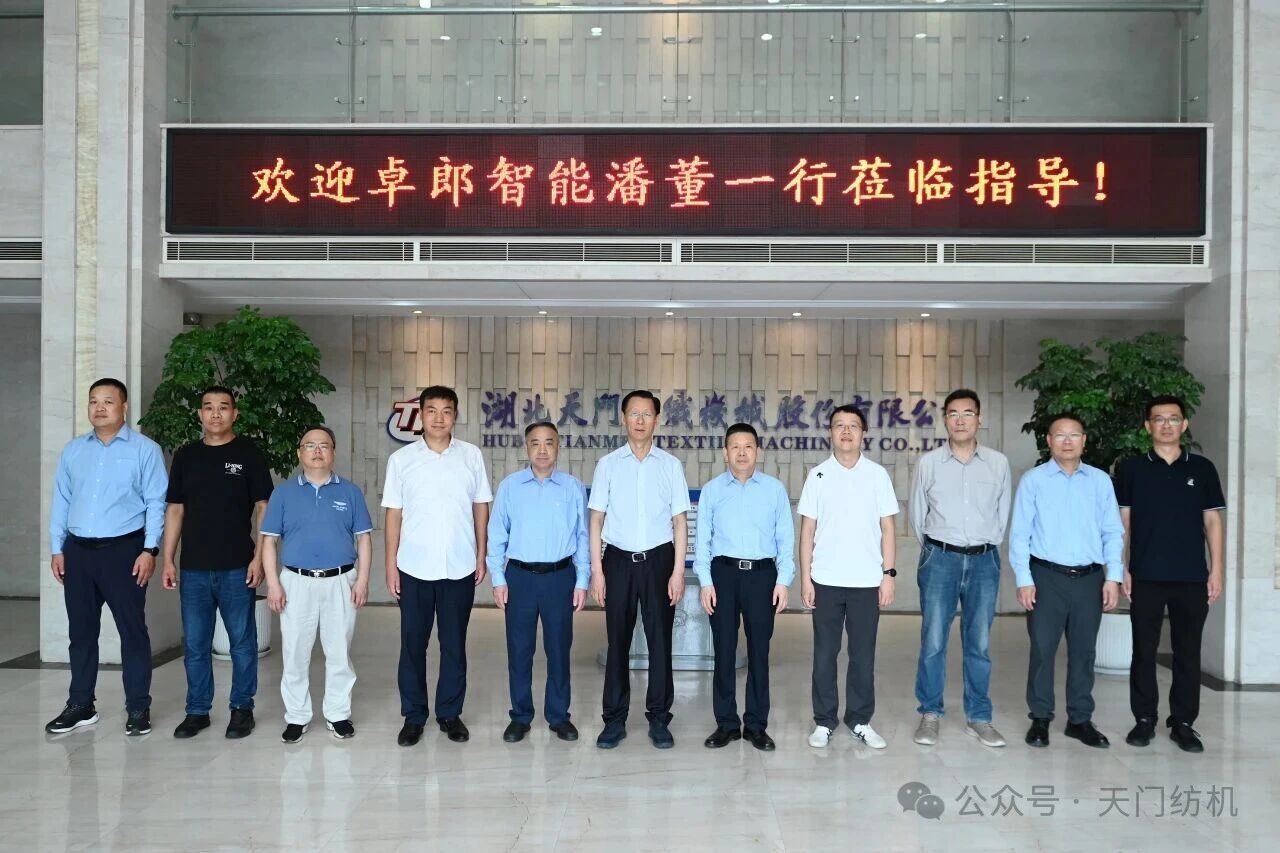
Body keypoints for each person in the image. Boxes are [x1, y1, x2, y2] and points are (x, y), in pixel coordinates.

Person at [45, 378, 167, 737]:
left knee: (132, 632)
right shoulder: (73, 451)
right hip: (78, 552)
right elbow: (61, 500)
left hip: (124, 552)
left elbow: (156, 502)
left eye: (108, 401)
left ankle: (138, 707)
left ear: (124, 407)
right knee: (81, 632)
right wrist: (57, 548)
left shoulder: (145, 450)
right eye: (94, 401)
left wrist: (150, 549)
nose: (99, 408)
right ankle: (81, 704)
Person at [162, 386, 274, 740]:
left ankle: (242, 709)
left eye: (223, 407)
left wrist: (259, 558)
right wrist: (168, 559)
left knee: (242, 643)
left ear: (234, 414)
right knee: (196, 645)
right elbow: (175, 509)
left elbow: (264, 508)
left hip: (237, 565)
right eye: (208, 407)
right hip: (194, 567)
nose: (215, 413)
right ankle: (197, 711)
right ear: (199, 414)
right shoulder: (186, 456)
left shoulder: (249, 454)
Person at [1115, 395, 1225, 753]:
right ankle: (1144, 719)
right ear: (1147, 425)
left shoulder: (1202, 468)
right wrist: (1122, 568)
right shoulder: (1132, 468)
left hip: (1191, 576)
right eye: (1159, 419)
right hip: (1145, 574)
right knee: (1144, 651)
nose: (1166, 425)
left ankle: (1183, 723)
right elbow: (1125, 523)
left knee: (1187, 652)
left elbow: (1212, 521)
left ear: (1184, 424)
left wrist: (1216, 570)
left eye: (1173, 418)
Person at [384, 386, 492, 747]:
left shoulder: (471, 456)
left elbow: (480, 505)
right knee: (412, 645)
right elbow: (394, 514)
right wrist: (391, 565)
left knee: (454, 645)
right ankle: (414, 716)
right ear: (420, 415)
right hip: (413, 567)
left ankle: (449, 713)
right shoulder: (402, 460)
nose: (439, 418)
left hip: (459, 566)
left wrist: (481, 554)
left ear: (455, 416)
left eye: (447, 411)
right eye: (431, 410)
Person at [1009, 413, 1124, 749]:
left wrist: (1113, 577)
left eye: (1074, 435)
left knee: (1084, 652)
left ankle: (1080, 719)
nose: (1067, 441)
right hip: (1046, 577)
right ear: (1049, 441)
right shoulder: (1034, 480)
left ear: (1084, 441)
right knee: (1042, 650)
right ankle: (1040, 718)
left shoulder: (1100, 481)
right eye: (1060, 435)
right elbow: (1020, 534)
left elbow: (1112, 531)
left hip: (1090, 578)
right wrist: (1024, 579)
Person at [907, 389, 1011, 749]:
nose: (961, 420)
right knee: (933, 640)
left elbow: (1002, 514)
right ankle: (930, 712)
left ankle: (979, 717)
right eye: (953, 414)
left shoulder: (997, 463)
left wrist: (984, 544)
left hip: (984, 560)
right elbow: (917, 515)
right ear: (945, 420)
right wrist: (938, 550)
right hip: (940, 559)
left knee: (979, 643)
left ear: (979, 419)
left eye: (968, 413)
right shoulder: (929, 463)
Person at [589, 389, 690, 750]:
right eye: (634, 413)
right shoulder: (608, 464)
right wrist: (597, 571)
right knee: (617, 641)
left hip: (659, 561)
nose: (640, 420)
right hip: (617, 561)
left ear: (657, 420)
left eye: (647, 414)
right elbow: (596, 520)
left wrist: (677, 572)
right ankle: (614, 720)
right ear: (623, 418)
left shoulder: (670, 465)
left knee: (660, 642)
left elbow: (680, 522)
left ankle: (659, 719)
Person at [260, 426, 372, 744]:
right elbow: (269, 542)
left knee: (339, 652)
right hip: (296, 582)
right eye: (310, 445)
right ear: (300, 452)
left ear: (333, 452)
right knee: (295, 651)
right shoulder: (283, 494)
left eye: (324, 445)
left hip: (341, 581)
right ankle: (297, 716)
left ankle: (338, 714)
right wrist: (274, 584)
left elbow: (364, 539)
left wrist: (362, 580)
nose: (317, 451)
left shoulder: (350, 492)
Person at [799, 404, 898, 750]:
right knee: (825, 655)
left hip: (866, 582)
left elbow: (888, 528)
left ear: (863, 433)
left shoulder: (877, 476)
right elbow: (807, 531)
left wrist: (888, 575)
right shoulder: (817, 475)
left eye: (853, 426)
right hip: (825, 580)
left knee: (863, 657)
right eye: (839, 425)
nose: (846, 431)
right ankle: (824, 721)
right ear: (830, 432)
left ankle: (859, 720)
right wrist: (806, 579)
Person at [695, 423, 795, 752]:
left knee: (759, 653)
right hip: (723, 575)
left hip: (762, 577)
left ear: (758, 451)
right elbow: (703, 541)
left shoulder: (774, 490)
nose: (741, 452)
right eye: (735, 447)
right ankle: (726, 724)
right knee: (723, 651)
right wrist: (706, 582)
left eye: (748, 446)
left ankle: (755, 725)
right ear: (725, 452)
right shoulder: (712, 490)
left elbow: (785, 540)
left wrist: (783, 581)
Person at [487, 422, 589, 744]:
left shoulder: (573, 488)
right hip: (520, 578)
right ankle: (520, 716)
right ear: (526, 447)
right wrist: (498, 579)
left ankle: (559, 716)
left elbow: (582, 536)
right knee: (520, 650)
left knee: (559, 649)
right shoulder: (510, 487)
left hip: (560, 577)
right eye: (535, 443)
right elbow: (496, 535)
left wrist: (582, 580)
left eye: (549, 443)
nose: (542, 450)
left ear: (558, 446)